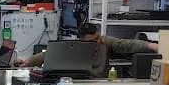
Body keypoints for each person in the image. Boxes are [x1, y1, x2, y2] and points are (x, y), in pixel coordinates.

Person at [16, 23, 158, 77]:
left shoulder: (104, 41)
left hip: (99, 83)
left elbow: (126, 44)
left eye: (97, 38)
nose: (96, 42)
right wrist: (27, 61)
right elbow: (48, 54)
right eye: (92, 41)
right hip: (80, 82)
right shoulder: (75, 47)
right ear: (81, 40)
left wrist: (150, 46)